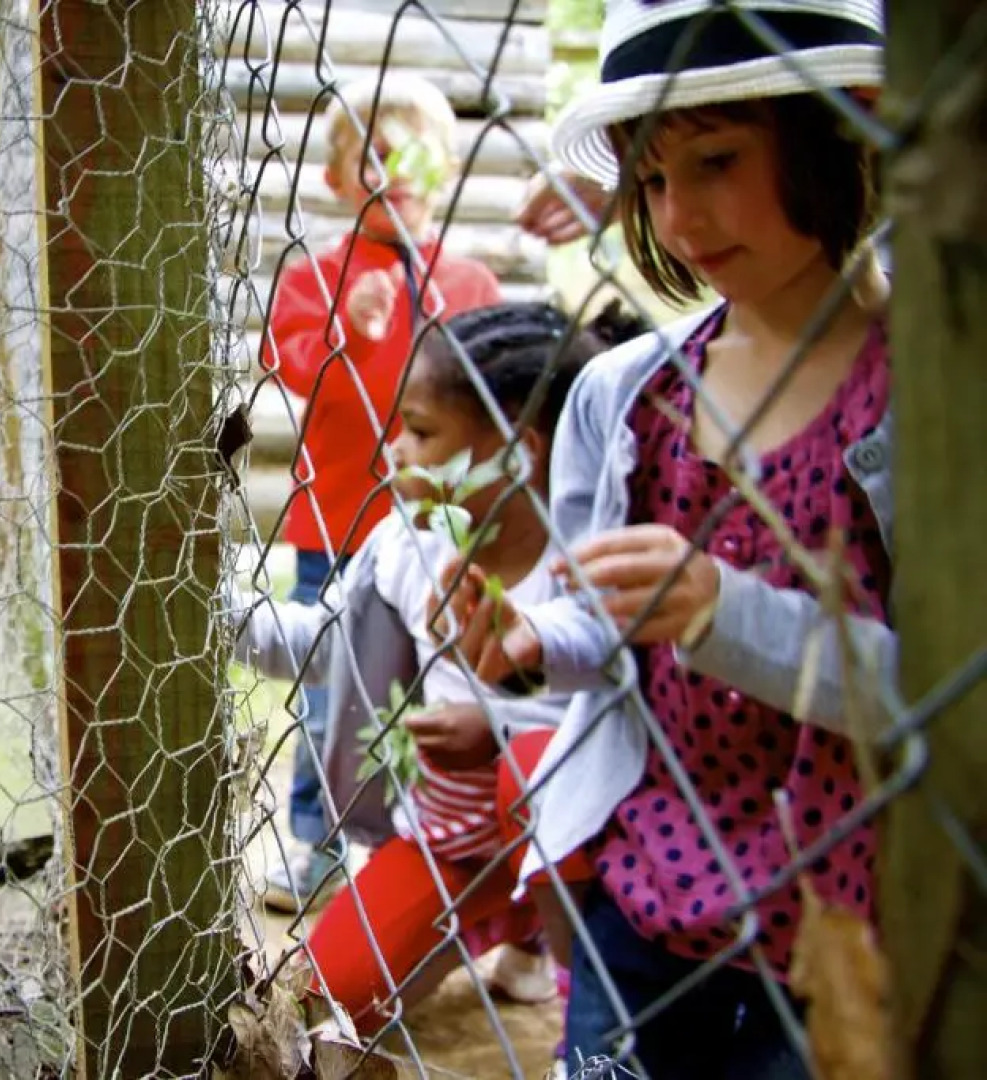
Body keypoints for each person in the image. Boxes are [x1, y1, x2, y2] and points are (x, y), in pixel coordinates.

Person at [447, 1, 892, 1075]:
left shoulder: (928, 400)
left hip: (859, 927)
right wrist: (525, 643)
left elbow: (947, 697)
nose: (679, 216)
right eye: (649, 179)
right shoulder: (625, 394)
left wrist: (726, 615)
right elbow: (602, 620)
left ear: (851, 131)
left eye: (717, 160)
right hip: (644, 905)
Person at [233, 301, 645, 1032]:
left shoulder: (595, 560)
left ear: (517, 453)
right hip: (448, 843)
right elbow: (332, 649)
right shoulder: (408, 544)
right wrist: (219, 621)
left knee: (528, 765)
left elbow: (629, 711)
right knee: (323, 1001)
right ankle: (500, 921)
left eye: (420, 432)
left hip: (582, 848)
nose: (393, 451)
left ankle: (576, 986)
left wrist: (494, 726)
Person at [260, 71, 502, 912]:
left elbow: (492, 396)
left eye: (415, 154)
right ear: (336, 178)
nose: (395, 169)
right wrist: (340, 330)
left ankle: (430, 841)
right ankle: (317, 846)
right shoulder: (316, 278)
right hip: (338, 520)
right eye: (372, 154)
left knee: (439, 686)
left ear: (446, 168)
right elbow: (288, 363)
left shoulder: (466, 283)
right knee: (329, 689)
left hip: (440, 527)